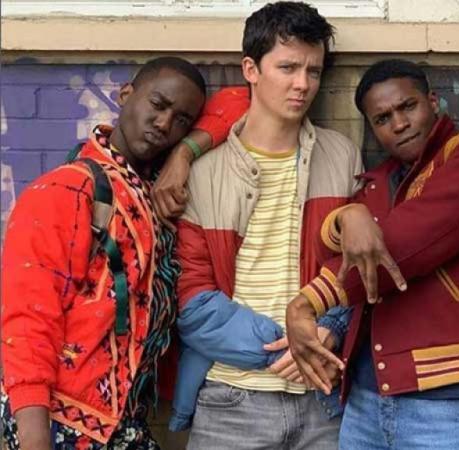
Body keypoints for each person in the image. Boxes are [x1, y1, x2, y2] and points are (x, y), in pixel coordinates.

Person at [283, 58, 459, 449]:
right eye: (382, 119)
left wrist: (307, 302)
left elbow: (410, 239)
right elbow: (328, 250)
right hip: (364, 396)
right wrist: (347, 216)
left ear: (433, 102)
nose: (398, 124)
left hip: (444, 397)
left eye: (407, 106)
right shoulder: (375, 185)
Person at [173, 2, 358, 448]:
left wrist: (331, 328)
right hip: (230, 401)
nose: (303, 84)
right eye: (288, 68)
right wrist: (295, 342)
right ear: (250, 70)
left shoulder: (342, 155)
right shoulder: (203, 171)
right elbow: (191, 298)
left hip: (324, 403)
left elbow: (355, 267)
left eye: (314, 71)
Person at [0, 56, 206, 450]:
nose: (165, 124)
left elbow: (240, 103)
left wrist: (184, 153)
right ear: (125, 94)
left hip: (119, 423)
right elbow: (28, 319)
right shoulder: (67, 189)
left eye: (182, 119)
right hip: (61, 421)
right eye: (158, 104)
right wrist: (34, 437)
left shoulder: (148, 191)